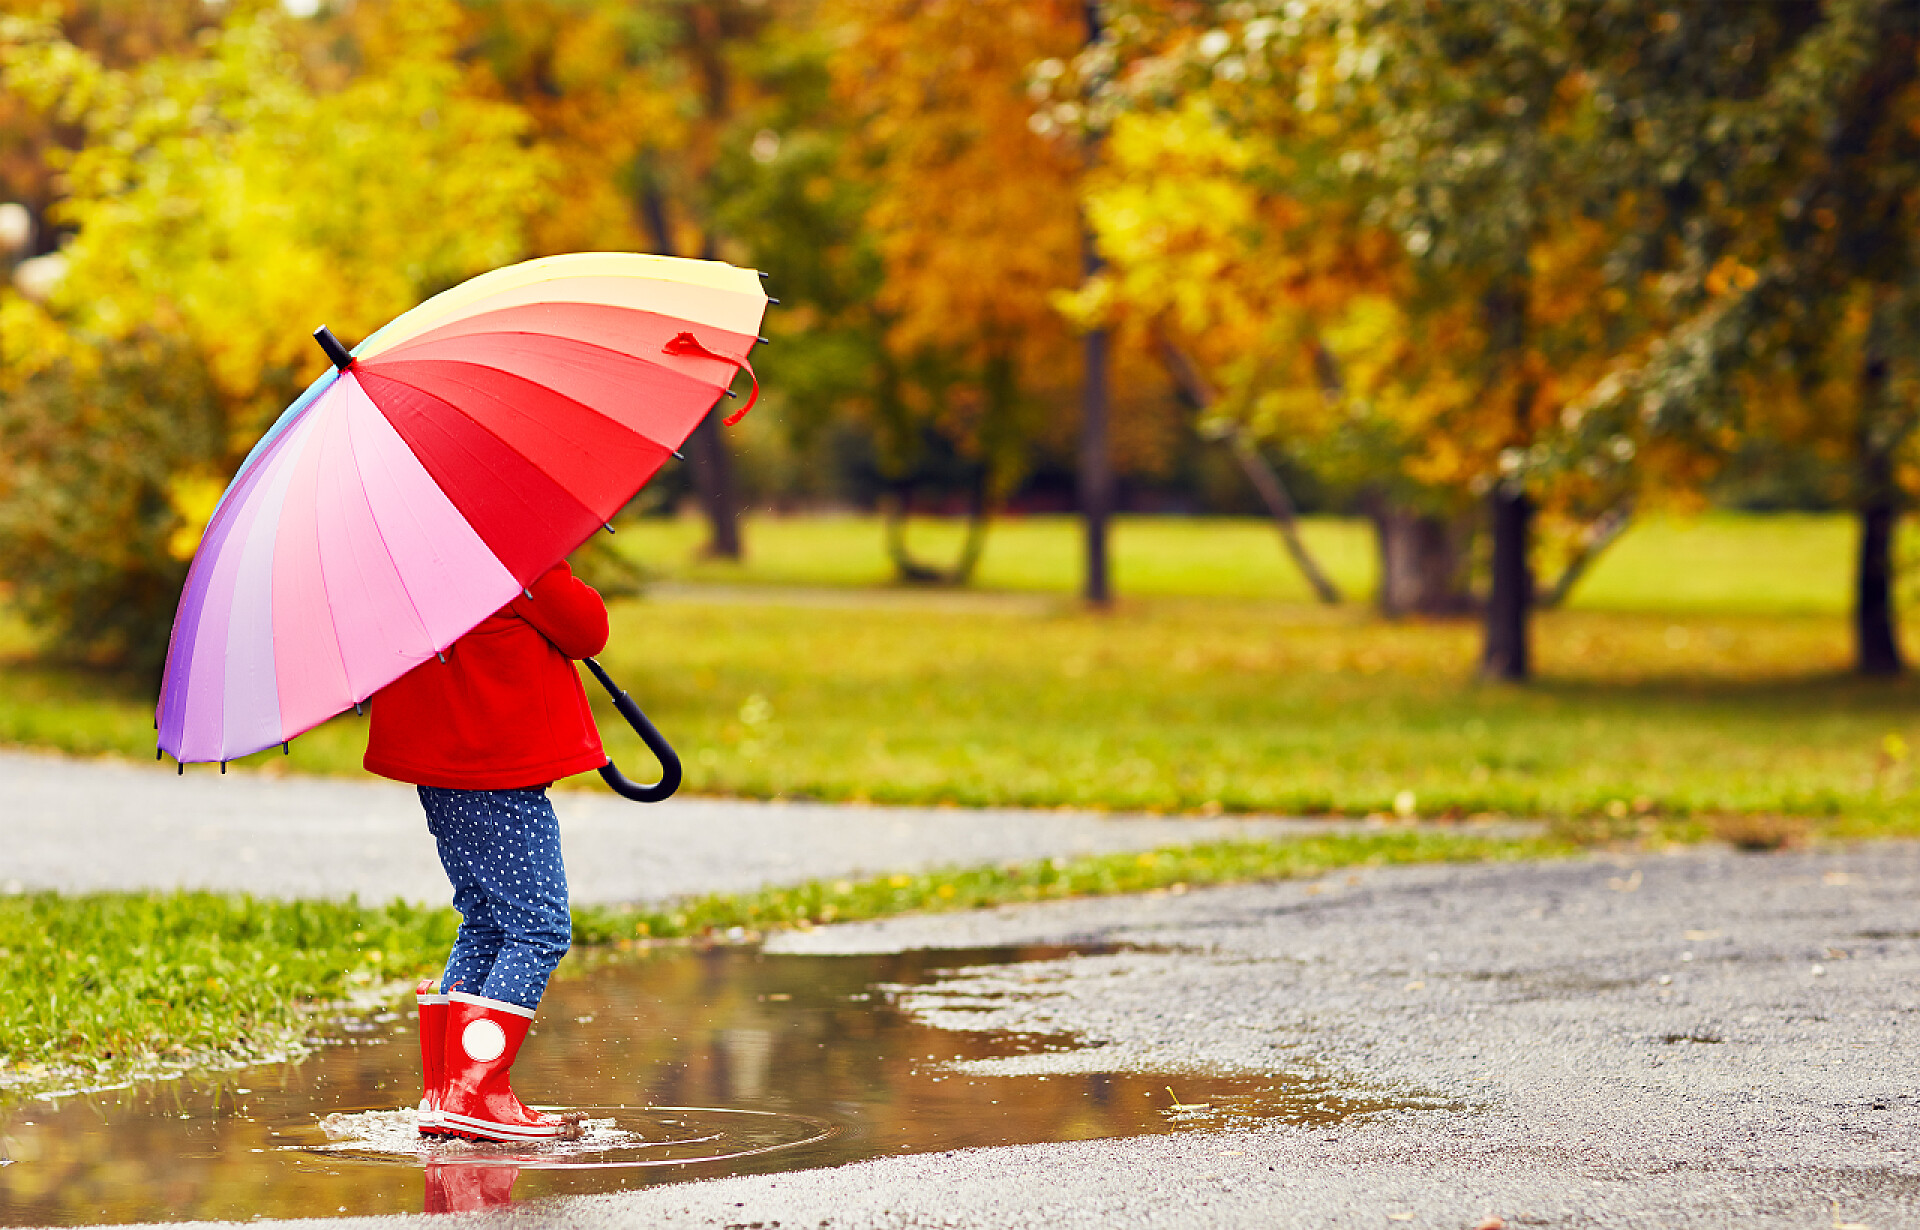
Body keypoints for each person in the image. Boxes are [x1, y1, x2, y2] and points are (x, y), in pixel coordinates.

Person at [363, 559, 609, 1142]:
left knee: (486, 925)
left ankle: (447, 1094)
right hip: (496, 771)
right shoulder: (509, 557)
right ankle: (478, 1092)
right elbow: (586, 629)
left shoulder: (404, 561)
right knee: (537, 929)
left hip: (444, 770)